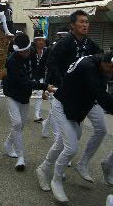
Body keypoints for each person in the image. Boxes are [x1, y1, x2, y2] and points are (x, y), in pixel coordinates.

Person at [36, 52, 113, 203]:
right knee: (71, 147)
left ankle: (43, 169)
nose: (111, 73)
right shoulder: (89, 67)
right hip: (62, 105)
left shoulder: (99, 64)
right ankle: (56, 180)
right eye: (111, 69)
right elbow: (101, 96)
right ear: (105, 63)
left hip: (76, 109)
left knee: (63, 143)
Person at [45, 10, 105, 182]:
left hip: (88, 94)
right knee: (69, 138)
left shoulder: (90, 44)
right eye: (81, 22)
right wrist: (63, 81)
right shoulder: (64, 43)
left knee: (102, 129)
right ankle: (54, 167)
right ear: (73, 25)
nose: (85, 24)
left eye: (87, 22)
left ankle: (83, 163)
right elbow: (51, 63)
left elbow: (100, 59)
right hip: (68, 95)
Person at [3, 33, 55, 171]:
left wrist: (40, 82)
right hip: (12, 94)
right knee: (17, 123)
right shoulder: (11, 61)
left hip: (25, 95)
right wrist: (44, 86)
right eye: (22, 51)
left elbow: (36, 71)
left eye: (27, 50)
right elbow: (22, 82)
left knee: (20, 125)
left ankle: (8, 144)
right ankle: (21, 157)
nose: (26, 53)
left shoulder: (31, 53)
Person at [30, 29, 50, 123]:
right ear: (35, 41)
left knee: (39, 96)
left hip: (41, 76)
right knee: (27, 94)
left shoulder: (46, 51)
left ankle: (36, 115)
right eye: (39, 40)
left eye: (43, 40)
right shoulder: (30, 51)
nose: (41, 42)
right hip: (30, 76)